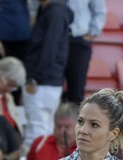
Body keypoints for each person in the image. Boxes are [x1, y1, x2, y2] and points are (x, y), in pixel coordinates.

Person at [23, 0, 74, 150]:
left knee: (37, 130)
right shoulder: (52, 12)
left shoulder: (54, 13)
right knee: (45, 129)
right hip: (48, 80)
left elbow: (50, 48)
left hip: (42, 82)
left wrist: (35, 78)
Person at [65, 0, 106, 105]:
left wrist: (91, 33)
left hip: (79, 40)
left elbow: (100, 11)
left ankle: (75, 120)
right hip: (55, 38)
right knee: (52, 86)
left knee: (76, 90)